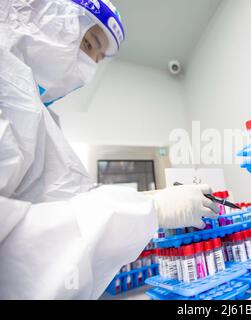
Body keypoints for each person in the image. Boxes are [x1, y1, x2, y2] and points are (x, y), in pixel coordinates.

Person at [0, 0, 219, 299]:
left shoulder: (38, 115)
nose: (88, 66)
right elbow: (14, 250)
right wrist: (151, 210)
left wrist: (147, 199)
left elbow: (63, 202)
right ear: (33, 11)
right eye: (89, 42)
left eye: (97, 58)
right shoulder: (8, 94)